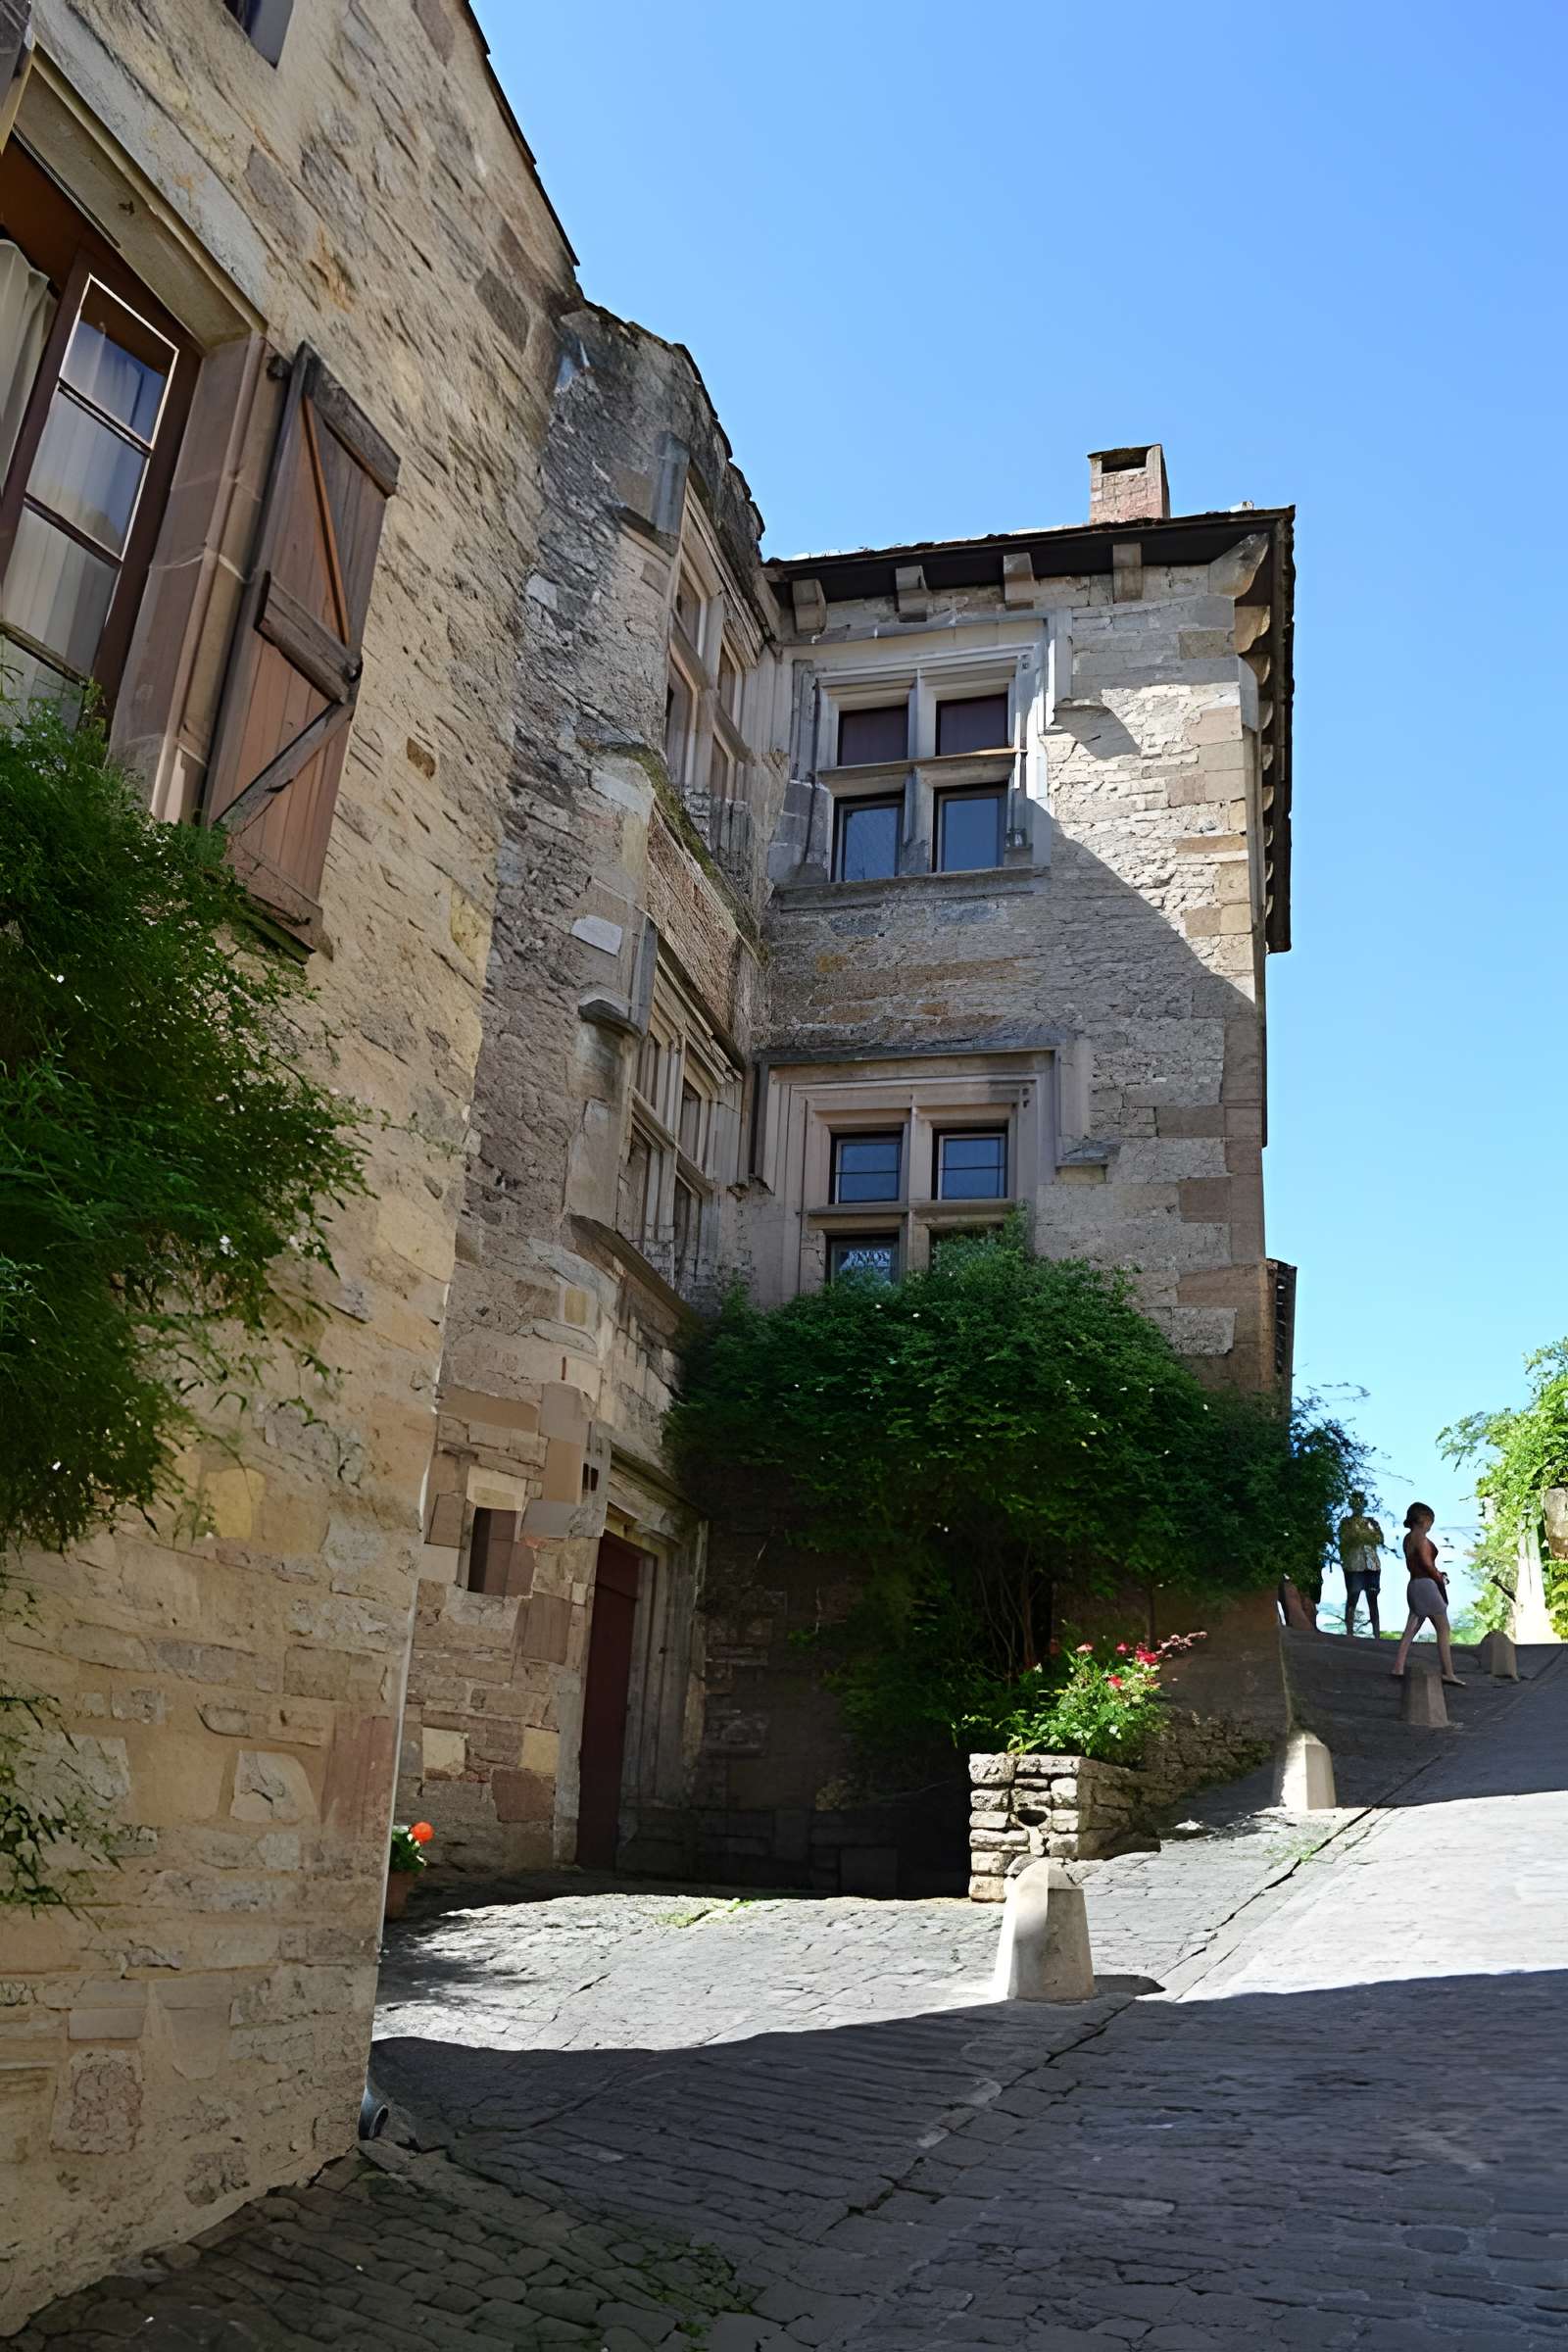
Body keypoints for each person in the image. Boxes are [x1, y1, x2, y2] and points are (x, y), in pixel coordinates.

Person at [1391, 1503, 1465, 1686]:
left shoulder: (1407, 1539)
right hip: (1426, 1586)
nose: (1431, 1524)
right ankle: (1448, 1672)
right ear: (1423, 1519)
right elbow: (1427, 1564)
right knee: (1443, 1628)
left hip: (1413, 1584)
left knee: (1411, 1628)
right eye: (1430, 1520)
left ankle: (1398, 1666)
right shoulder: (1422, 1540)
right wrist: (1440, 1578)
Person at [1337, 1491, 1386, 1638]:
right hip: (1353, 1564)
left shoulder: (1372, 1522)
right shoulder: (1346, 1523)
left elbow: (1379, 1539)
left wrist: (1365, 1535)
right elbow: (1346, 1540)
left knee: (1373, 1598)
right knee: (1353, 1597)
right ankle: (1349, 1633)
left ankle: (1377, 1634)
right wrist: (1365, 1536)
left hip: (1372, 1564)